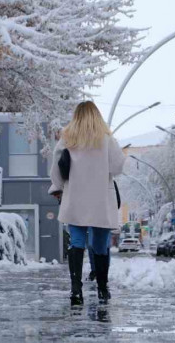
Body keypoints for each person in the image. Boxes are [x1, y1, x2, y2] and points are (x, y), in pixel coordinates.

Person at [49, 101, 126, 306]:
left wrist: (58, 186)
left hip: (75, 197)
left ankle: (76, 289)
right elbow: (118, 165)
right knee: (100, 246)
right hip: (100, 198)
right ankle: (102, 288)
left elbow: (56, 166)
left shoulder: (68, 137)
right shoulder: (107, 138)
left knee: (76, 243)